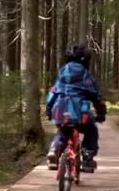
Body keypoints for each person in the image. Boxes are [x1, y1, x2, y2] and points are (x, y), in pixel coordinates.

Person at [45, 43, 107, 172]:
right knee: (91, 129)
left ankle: (54, 150)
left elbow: (54, 92)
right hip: (79, 112)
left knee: (62, 131)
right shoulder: (85, 74)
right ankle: (87, 158)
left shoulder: (62, 72)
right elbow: (95, 96)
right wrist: (101, 113)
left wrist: (49, 109)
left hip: (60, 110)